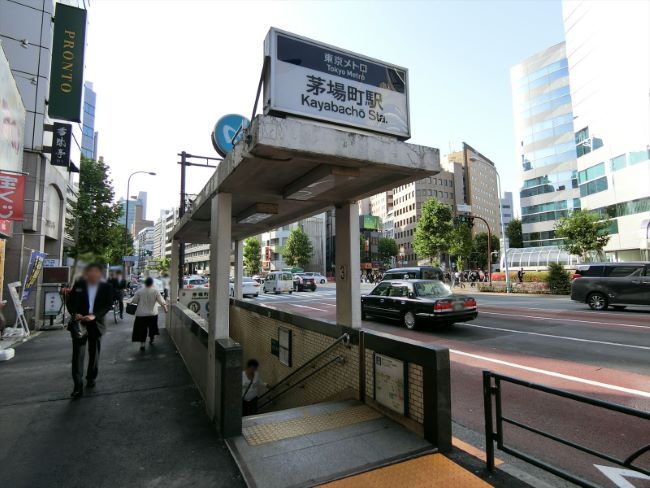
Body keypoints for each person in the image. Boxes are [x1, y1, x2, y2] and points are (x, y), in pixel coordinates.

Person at [66, 263, 114, 398]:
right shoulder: (80, 284)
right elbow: (70, 301)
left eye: (96, 272)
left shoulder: (107, 286)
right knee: (77, 355)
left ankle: (91, 377)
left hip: (96, 324)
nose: (93, 274)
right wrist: (75, 313)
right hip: (80, 324)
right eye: (90, 271)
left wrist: (95, 316)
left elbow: (108, 304)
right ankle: (77, 385)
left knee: (94, 352)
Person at [131, 277, 168, 351]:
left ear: (145, 283)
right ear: (152, 283)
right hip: (152, 314)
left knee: (142, 330)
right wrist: (165, 308)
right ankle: (151, 339)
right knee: (152, 328)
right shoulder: (155, 291)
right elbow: (161, 301)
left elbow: (134, 301)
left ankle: (142, 344)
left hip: (141, 315)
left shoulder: (139, 291)